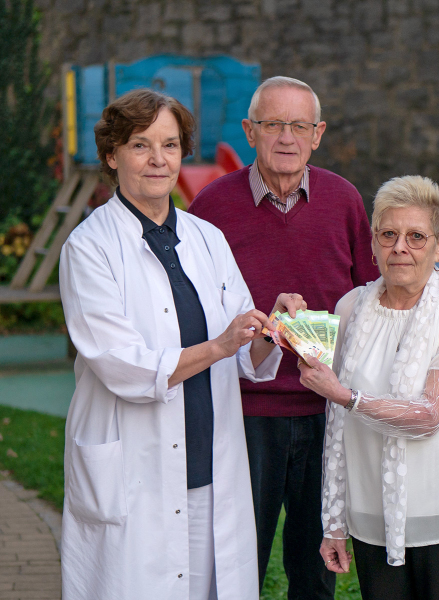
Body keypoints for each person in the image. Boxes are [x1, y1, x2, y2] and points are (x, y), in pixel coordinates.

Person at [59, 89, 305, 600]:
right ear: (112, 155)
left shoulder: (206, 238)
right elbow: (124, 367)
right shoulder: (89, 248)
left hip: (209, 467)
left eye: (170, 145)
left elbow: (246, 357)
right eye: (140, 145)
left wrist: (272, 331)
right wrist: (218, 345)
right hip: (135, 471)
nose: (158, 160)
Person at [188, 76, 377, 598]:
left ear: (317, 134)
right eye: (274, 125)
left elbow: (366, 297)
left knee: (316, 568)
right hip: (242, 415)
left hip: (325, 413)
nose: (287, 137)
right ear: (250, 131)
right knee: (235, 563)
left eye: (299, 126)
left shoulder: (344, 200)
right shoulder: (211, 207)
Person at [295, 175, 439, 600]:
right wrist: (287, 322)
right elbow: (336, 424)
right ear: (372, 243)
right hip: (373, 519)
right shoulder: (351, 307)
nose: (400, 247)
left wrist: (347, 396)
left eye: (416, 236)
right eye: (388, 234)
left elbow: (427, 416)